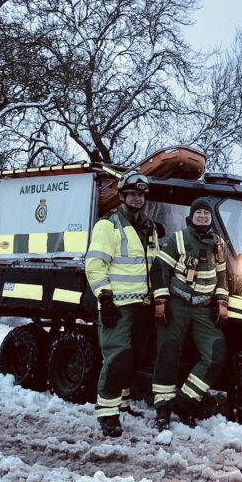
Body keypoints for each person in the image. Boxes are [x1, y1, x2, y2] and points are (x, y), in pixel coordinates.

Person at [85, 172, 159, 437]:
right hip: (117, 305)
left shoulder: (148, 227)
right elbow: (95, 264)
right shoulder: (108, 225)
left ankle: (123, 403)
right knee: (117, 359)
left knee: (134, 359)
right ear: (123, 197)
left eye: (142, 195)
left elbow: (153, 265)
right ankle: (107, 413)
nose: (138, 199)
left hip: (143, 305)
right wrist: (105, 298)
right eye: (133, 194)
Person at [149, 198, 229, 430]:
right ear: (191, 216)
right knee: (168, 355)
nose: (203, 216)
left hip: (205, 310)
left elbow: (222, 276)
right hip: (177, 307)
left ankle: (184, 401)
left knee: (216, 354)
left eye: (206, 213)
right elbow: (160, 269)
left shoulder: (219, 244)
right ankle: (162, 410)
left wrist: (222, 302)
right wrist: (161, 301)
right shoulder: (179, 239)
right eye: (198, 213)